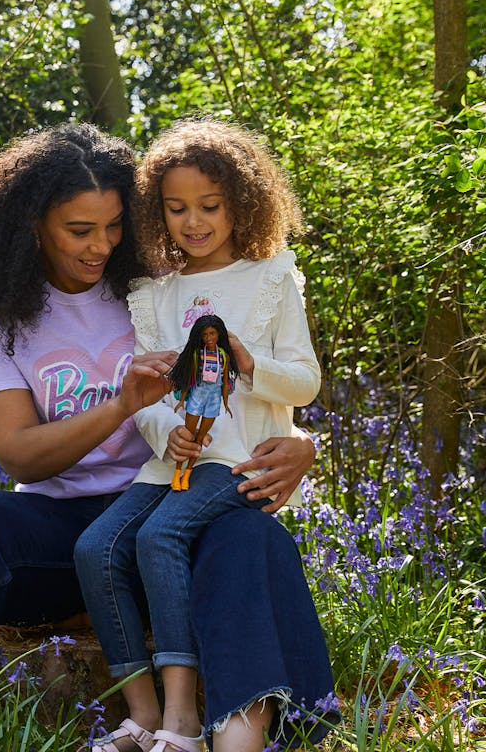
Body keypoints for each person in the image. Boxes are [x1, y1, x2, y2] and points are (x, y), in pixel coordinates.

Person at [0, 123, 330, 752]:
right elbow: (18, 452)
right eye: (80, 231)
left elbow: (241, 387)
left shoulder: (153, 289)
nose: (102, 246)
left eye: (114, 227)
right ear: (33, 224)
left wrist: (305, 444)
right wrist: (121, 406)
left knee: (250, 532)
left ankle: (237, 735)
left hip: (175, 508)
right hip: (65, 537)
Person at [75, 119, 336, 752]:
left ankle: (183, 717)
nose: (193, 221)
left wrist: (251, 364)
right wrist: (168, 434)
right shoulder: (154, 296)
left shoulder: (272, 277)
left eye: (210, 206)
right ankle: (142, 715)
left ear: (241, 203)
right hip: (175, 463)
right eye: (176, 208)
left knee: (161, 535)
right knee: (97, 547)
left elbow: (305, 384)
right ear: (156, 213)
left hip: (241, 460)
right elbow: (145, 396)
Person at [167, 314, 239, 490]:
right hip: (197, 397)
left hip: (214, 400)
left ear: (219, 334)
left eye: (212, 333)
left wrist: (226, 403)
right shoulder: (197, 355)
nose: (209, 338)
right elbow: (189, 378)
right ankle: (176, 474)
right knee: (188, 437)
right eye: (205, 335)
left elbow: (224, 382)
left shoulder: (223, 355)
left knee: (199, 440)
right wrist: (182, 400)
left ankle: (187, 475)